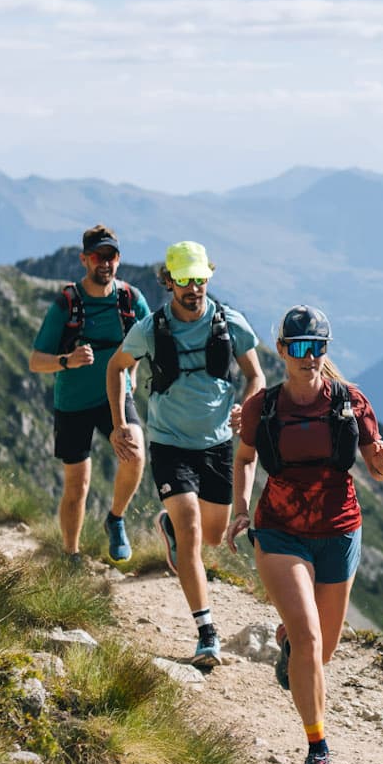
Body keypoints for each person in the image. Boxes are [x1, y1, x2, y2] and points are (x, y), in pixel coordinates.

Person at [224, 305, 383, 764]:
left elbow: (378, 465)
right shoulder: (264, 407)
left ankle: (291, 646)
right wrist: (240, 507)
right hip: (280, 531)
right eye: (298, 347)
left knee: (323, 650)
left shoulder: (348, 401)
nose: (308, 356)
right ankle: (317, 749)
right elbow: (245, 458)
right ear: (281, 350)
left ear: (326, 349)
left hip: (339, 531)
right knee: (310, 638)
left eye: (317, 346)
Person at [106, 241, 263, 670]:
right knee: (193, 531)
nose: (193, 288)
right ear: (169, 281)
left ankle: (170, 531)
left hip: (215, 445)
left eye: (200, 279)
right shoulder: (151, 328)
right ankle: (206, 632)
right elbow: (117, 367)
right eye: (184, 280)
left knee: (212, 536)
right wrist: (121, 422)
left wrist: (245, 409)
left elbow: (256, 376)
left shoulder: (230, 322)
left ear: (208, 277)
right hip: (170, 443)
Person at [28, 224, 151, 565]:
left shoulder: (130, 299)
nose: (105, 263)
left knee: (135, 454)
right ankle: (71, 555)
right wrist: (67, 361)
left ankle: (116, 518)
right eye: (98, 256)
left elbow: (151, 340)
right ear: (84, 259)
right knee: (77, 486)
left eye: (111, 256)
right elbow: (36, 362)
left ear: (119, 259)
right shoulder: (67, 304)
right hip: (73, 403)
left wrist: (135, 374)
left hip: (116, 395)